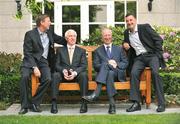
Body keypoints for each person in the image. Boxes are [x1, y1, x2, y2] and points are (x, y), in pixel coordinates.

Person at [19, 14, 66, 114]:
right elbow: (27, 52)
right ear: (42, 22)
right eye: (48, 21)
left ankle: (34, 102)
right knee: (24, 77)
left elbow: (61, 40)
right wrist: (34, 67)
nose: (50, 23)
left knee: (48, 78)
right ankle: (24, 106)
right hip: (30, 61)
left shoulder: (50, 32)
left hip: (43, 61)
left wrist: (71, 38)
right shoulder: (30, 34)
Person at [123, 13, 166, 112]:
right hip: (139, 58)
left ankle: (161, 104)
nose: (129, 22)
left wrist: (158, 55)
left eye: (131, 20)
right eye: (127, 21)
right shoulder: (126, 33)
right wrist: (124, 43)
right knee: (133, 74)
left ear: (135, 20)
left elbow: (158, 40)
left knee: (155, 74)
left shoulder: (145, 27)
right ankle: (136, 103)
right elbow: (126, 42)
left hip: (151, 56)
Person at [83, 28, 128, 114]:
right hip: (108, 76)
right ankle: (112, 105)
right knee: (109, 72)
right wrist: (108, 64)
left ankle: (96, 94)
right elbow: (96, 66)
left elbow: (125, 63)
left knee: (108, 68)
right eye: (105, 35)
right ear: (102, 38)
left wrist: (116, 64)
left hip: (117, 74)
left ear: (111, 36)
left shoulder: (119, 49)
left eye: (109, 35)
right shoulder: (98, 51)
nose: (107, 37)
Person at [50, 29, 88, 114]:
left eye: (74, 36)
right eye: (70, 36)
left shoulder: (81, 51)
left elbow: (83, 65)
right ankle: (54, 103)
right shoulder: (60, 50)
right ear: (66, 38)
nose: (73, 38)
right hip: (64, 75)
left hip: (76, 75)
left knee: (84, 75)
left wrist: (75, 73)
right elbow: (57, 65)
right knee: (55, 75)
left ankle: (84, 103)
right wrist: (63, 70)